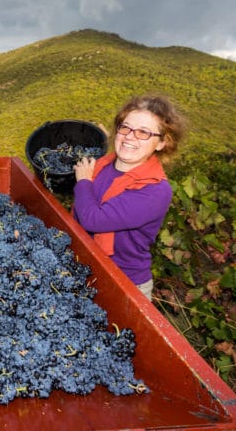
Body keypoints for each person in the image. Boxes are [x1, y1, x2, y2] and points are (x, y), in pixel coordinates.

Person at [72, 94, 186, 301]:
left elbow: (92, 220)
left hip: (126, 285)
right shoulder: (104, 164)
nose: (130, 137)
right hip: (86, 269)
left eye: (143, 132)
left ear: (161, 143)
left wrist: (83, 182)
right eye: (125, 128)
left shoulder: (155, 190)